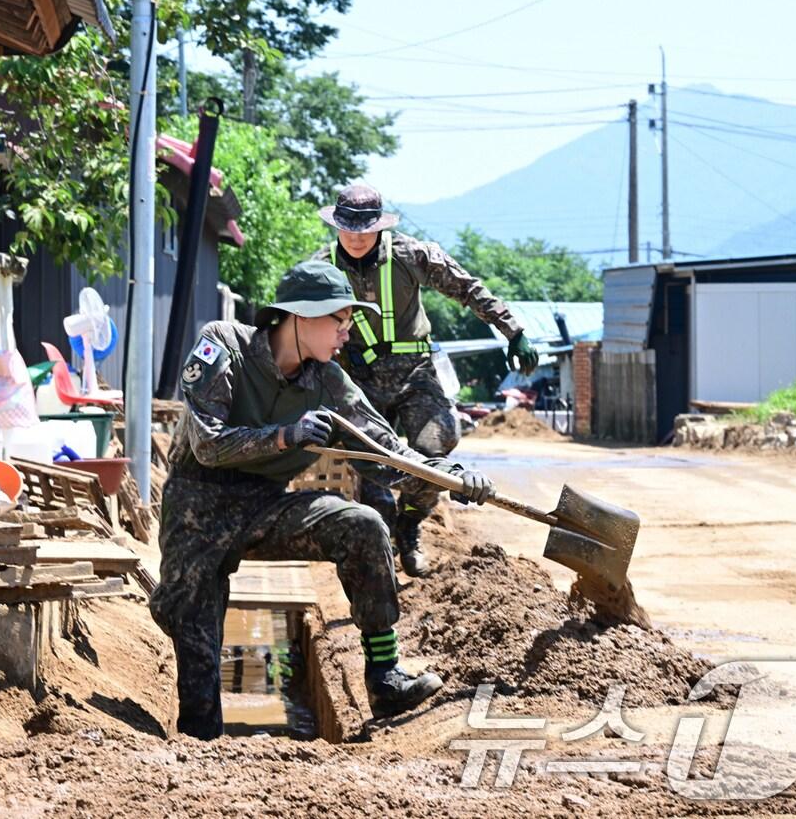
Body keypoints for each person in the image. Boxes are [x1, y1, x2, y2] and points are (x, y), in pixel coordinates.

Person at [149, 260, 496, 740]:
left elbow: (385, 450)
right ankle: (199, 747)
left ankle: (384, 676)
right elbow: (208, 444)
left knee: (362, 525)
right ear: (302, 317)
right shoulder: (224, 345)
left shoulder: (329, 382)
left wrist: (452, 477)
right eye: (341, 319)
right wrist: (284, 435)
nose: (348, 332)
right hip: (196, 510)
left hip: (265, 505)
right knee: (196, 648)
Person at [312, 183, 537, 577]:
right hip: (356, 381)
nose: (357, 238)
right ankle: (378, 558)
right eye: (349, 229)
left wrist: (513, 330)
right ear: (337, 225)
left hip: (415, 372)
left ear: (379, 226)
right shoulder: (320, 267)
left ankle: (410, 524)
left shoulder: (411, 254)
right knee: (376, 469)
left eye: (365, 229)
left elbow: (466, 288)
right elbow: (291, 324)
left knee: (436, 449)